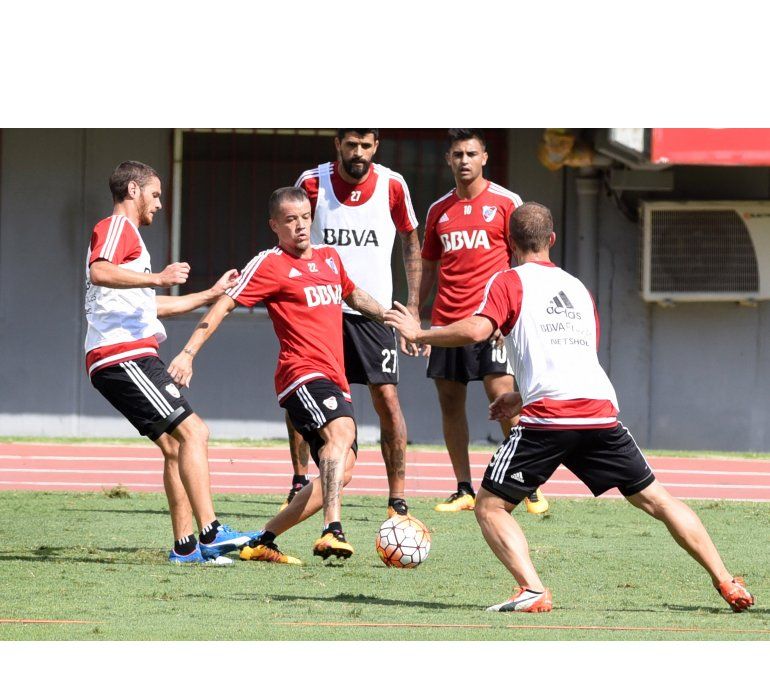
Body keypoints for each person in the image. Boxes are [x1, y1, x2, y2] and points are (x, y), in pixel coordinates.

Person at [386, 202, 754, 613]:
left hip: (549, 419)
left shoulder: (507, 281)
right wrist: (519, 396)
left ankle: (531, 589)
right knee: (660, 501)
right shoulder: (578, 288)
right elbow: (577, 355)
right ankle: (726, 580)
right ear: (552, 240)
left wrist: (420, 332)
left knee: (490, 505)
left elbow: (477, 329)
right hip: (599, 412)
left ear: (509, 242)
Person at [168, 187, 389, 564]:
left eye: (305, 217)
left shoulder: (329, 258)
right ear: (274, 225)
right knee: (341, 433)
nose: (300, 226)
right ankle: (333, 528)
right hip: (300, 374)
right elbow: (224, 305)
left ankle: (263, 539)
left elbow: (353, 296)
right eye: (290, 220)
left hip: (334, 377)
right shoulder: (269, 263)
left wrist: (392, 317)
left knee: (344, 470)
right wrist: (188, 353)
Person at [85, 160, 258, 565]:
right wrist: (159, 277)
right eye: (156, 194)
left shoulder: (130, 243)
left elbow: (152, 305)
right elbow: (100, 271)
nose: (160, 204)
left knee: (176, 446)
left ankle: (185, 547)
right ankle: (212, 531)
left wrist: (210, 294)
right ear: (133, 190)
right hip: (123, 354)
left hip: (121, 356)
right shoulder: (117, 227)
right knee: (195, 432)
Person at [278, 129, 421, 520]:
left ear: (376, 146)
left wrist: (411, 305)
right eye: (351, 144)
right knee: (303, 393)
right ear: (337, 144)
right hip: (320, 310)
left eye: (366, 145)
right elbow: (290, 234)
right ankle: (299, 479)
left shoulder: (393, 184)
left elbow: (410, 239)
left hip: (373, 312)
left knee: (387, 399)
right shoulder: (312, 182)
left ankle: (397, 497)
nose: (358, 152)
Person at [420, 129, 548, 516]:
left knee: (503, 397)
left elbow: (525, 261)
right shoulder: (438, 210)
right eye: (458, 154)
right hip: (447, 322)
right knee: (450, 403)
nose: (464, 160)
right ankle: (463, 488)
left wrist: (513, 317)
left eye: (471, 154)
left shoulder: (507, 202)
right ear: (449, 159)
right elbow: (429, 267)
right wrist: (414, 314)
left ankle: (525, 483)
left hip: (493, 323)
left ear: (484, 158)